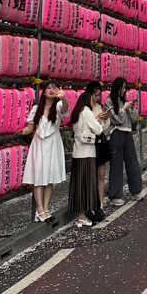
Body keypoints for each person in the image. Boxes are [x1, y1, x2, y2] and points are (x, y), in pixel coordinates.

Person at [21, 80, 66, 221]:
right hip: (39, 144)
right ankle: (39, 210)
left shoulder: (58, 106)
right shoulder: (36, 109)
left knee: (49, 178)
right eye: (48, 88)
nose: (51, 90)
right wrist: (23, 131)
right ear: (43, 92)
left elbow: (65, 109)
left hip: (53, 143)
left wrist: (63, 97)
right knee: (39, 178)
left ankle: (46, 208)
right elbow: (30, 126)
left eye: (54, 87)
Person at [69, 83, 108, 228]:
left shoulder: (77, 112)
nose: (95, 100)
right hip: (88, 153)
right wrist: (99, 120)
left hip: (77, 153)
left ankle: (80, 216)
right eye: (94, 97)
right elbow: (98, 130)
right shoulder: (86, 112)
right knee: (86, 185)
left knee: (79, 185)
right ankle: (82, 216)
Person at [105, 78, 142, 205]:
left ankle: (136, 191)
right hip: (116, 133)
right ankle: (115, 195)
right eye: (122, 87)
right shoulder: (108, 101)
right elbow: (116, 119)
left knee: (132, 162)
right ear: (117, 88)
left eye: (125, 88)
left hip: (127, 133)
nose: (124, 90)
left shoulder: (124, 101)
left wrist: (131, 107)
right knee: (116, 165)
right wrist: (123, 109)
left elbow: (134, 118)